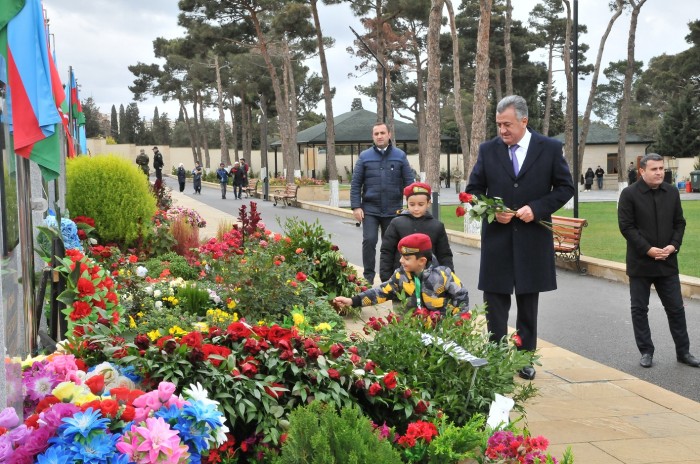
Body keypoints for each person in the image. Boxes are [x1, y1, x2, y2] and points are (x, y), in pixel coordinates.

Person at [465, 95, 575, 380]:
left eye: (507, 124)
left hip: (532, 238)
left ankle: (524, 358)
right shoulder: (488, 150)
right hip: (498, 238)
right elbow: (473, 189)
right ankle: (497, 355)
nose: (502, 130)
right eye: (499, 124)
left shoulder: (549, 148)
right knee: (496, 302)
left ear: (524, 121)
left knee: (528, 302)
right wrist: (492, 208)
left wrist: (537, 208)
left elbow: (565, 188)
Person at [618, 153, 700, 369]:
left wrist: (673, 246)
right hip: (641, 263)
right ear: (642, 171)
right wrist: (648, 250)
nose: (659, 173)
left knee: (676, 309)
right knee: (639, 309)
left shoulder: (672, 192)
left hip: (667, 262)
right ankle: (646, 351)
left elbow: (679, 223)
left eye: (661, 168)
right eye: (654, 169)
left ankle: (684, 352)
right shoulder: (629, 194)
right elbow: (626, 227)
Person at [333, 233, 469, 316]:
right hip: (412, 330)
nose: (401, 261)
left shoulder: (443, 275)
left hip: (441, 332)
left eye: (407, 258)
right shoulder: (400, 276)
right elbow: (380, 292)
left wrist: (456, 322)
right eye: (401, 256)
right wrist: (352, 301)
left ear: (422, 261)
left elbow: (461, 296)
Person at [350, 122, 414, 283]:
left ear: (389, 135)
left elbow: (409, 182)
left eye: (382, 133)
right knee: (369, 241)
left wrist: (412, 205)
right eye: (376, 133)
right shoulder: (364, 157)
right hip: (370, 209)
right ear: (373, 136)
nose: (379, 136)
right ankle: (368, 279)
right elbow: (356, 183)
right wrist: (356, 206)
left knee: (391, 245)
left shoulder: (400, 156)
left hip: (393, 211)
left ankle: (390, 279)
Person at [379, 182, 454, 282]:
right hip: (400, 279)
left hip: (430, 281)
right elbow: (387, 251)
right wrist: (386, 277)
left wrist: (448, 277)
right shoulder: (397, 223)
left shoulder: (437, 226)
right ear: (407, 202)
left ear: (428, 203)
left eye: (421, 204)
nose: (416, 208)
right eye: (412, 204)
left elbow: (444, 255)